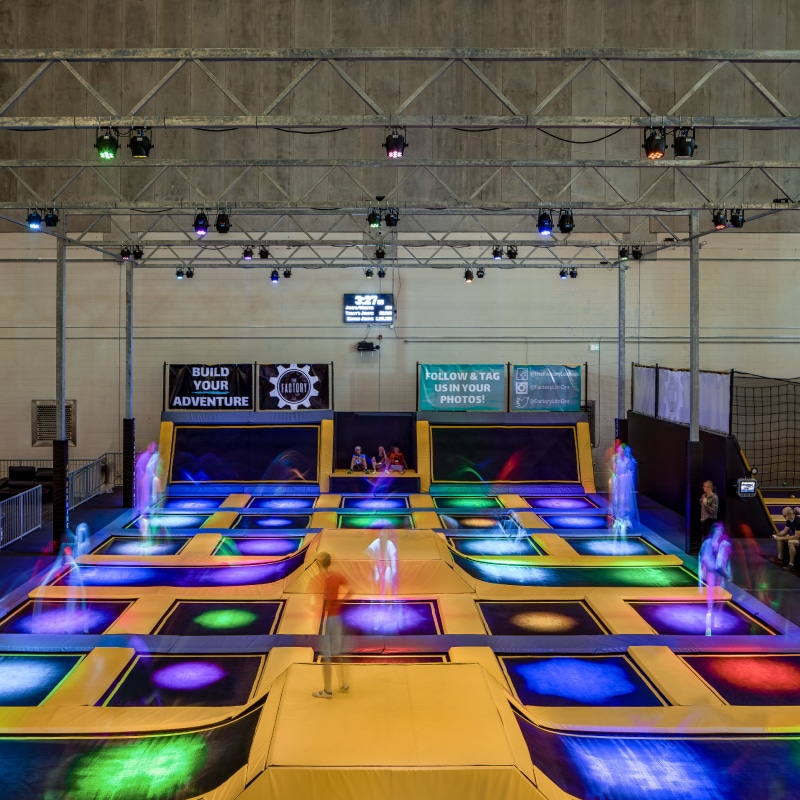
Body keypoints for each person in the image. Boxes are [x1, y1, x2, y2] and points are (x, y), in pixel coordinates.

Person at [312, 552, 351, 699]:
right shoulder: (336, 576)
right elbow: (351, 590)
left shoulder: (320, 579)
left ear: (319, 563)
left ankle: (327, 691)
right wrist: (340, 601)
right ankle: (344, 683)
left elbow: (317, 600)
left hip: (327, 619)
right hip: (337, 617)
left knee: (326, 656)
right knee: (338, 651)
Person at [698, 522, 733, 635]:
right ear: (714, 531)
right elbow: (702, 557)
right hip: (711, 571)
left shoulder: (725, 544)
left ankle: (718, 614)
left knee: (721, 595)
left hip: (720, 572)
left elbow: (726, 560)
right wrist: (702, 572)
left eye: (721, 530)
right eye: (718, 530)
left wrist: (728, 573)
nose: (720, 532)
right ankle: (710, 611)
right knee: (711, 592)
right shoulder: (707, 543)